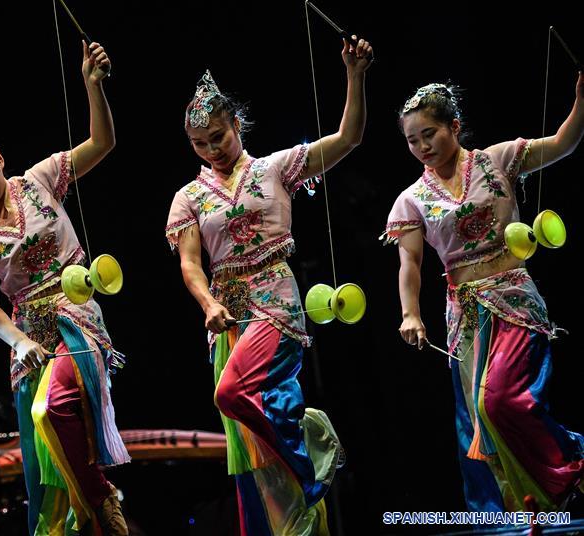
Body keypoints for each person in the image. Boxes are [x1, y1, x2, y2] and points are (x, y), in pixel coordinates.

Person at [165, 35, 373, 534]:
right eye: (200, 143)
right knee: (256, 432)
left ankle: (310, 461)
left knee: (231, 394)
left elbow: (348, 138)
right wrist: (208, 303)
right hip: (227, 313)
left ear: (237, 124)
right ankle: (298, 488)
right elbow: (191, 263)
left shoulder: (275, 168)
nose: (212, 148)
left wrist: (355, 76)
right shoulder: (189, 196)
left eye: (219, 135)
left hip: (274, 301)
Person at [0, 41, 129, 535]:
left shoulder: (40, 180)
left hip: (76, 313)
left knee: (57, 407)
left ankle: (101, 496)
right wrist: (20, 341)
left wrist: (93, 87)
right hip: (26, 335)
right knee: (41, 462)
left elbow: (102, 142)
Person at [382, 75, 584, 512]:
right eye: (412, 140)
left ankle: (571, 458)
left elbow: (565, 142)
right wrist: (410, 313)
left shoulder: (499, 160)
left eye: (429, 134)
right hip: (466, 312)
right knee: (480, 418)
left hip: (513, 297)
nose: (422, 146)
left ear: (454, 126)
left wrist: (581, 101)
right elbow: (410, 264)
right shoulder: (412, 199)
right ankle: (526, 504)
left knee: (501, 399)